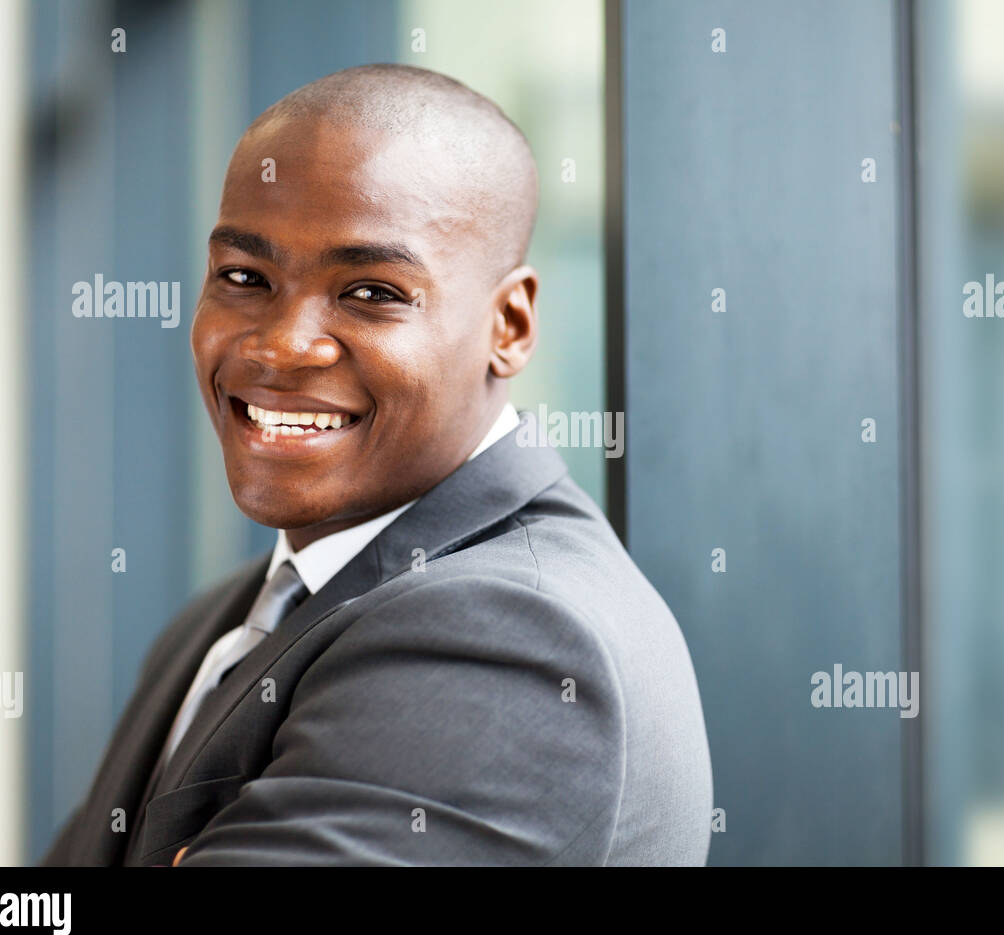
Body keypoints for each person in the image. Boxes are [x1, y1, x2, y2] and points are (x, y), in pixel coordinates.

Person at [40, 63, 712, 866]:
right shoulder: (232, 618)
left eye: (371, 292)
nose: (282, 345)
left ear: (510, 324)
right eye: (245, 278)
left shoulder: (512, 638)